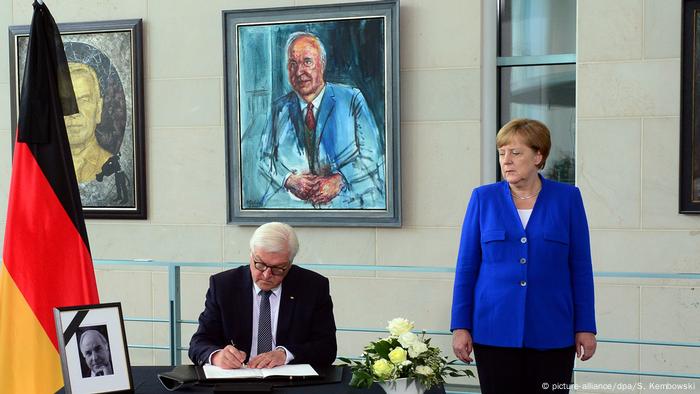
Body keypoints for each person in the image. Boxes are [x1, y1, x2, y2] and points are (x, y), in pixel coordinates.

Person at [450, 119, 597, 393]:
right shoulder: (483, 199)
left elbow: (580, 268)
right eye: (502, 152)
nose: (506, 160)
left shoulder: (568, 199)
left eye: (516, 153)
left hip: (553, 331)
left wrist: (586, 327)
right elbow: (466, 267)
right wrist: (460, 325)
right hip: (493, 330)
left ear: (538, 155)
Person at [256, 32, 385, 209]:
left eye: (307, 62)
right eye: (293, 64)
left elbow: (371, 154)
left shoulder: (352, 99)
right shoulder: (279, 108)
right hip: (294, 211)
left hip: (350, 206)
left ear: (322, 65)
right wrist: (289, 179)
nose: (299, 71)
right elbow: (264, 158)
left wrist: (340, 180)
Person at [189, 222, 337, 368]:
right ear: (251, 255)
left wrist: (285, 354)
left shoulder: (313, 287)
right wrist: (216, 356)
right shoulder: (224, 285)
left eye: (278, 268)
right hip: (237, 379)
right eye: (260, 264)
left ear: (290, 264)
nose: (266, 275)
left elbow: (327, 348)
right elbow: (199, 343)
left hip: (289, 380)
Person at [64, 62, 113, 184]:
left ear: (99, 110)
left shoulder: (110, 163)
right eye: (65, 102)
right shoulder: (40, 168)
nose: (74, 111)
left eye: (84, 100)